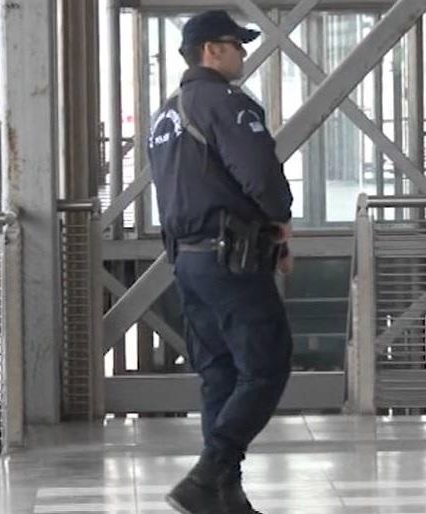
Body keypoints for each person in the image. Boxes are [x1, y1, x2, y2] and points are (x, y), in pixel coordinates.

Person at [147, 10, 294, 514]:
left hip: (189, 261)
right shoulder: (224, 102)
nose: (243, 53)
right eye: (236, 44)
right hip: (231, 260)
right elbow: (259, 172)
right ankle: (209, 472)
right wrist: (280, 219)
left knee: (220, 375)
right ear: (212, 50)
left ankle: (224, 496)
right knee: (268, 366)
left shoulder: (165, 115)